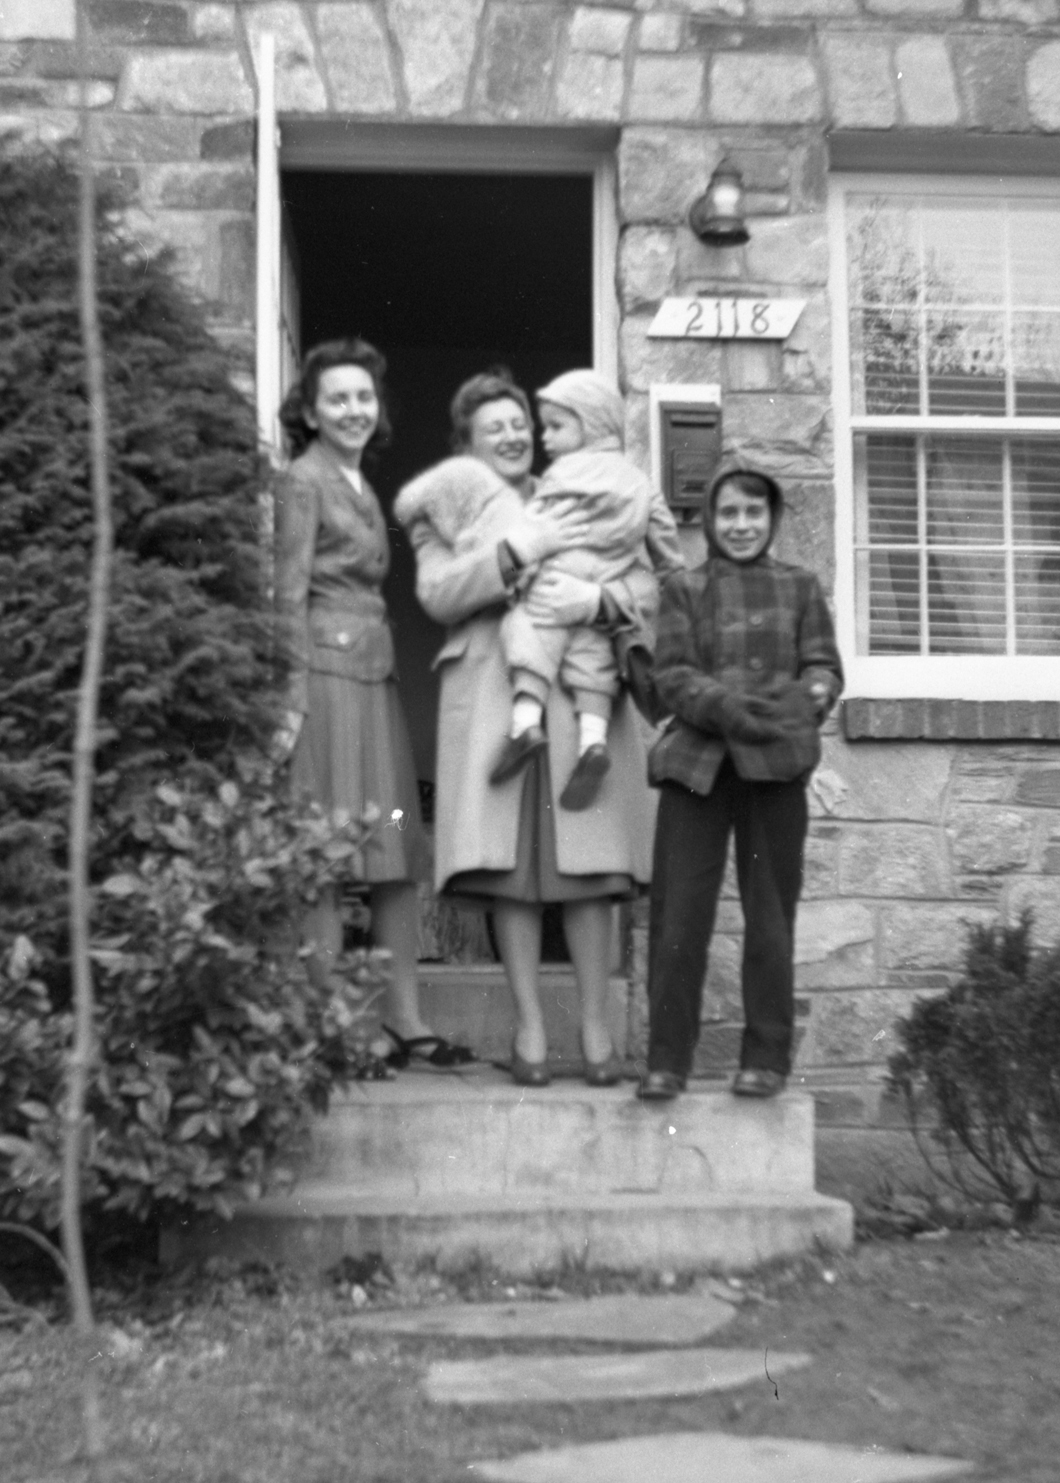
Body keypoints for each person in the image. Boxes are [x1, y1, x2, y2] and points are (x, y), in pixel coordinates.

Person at [402, 369, 661, 1087]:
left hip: (581, 702)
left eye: (521, 422)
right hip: (496, 696)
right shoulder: (444, 508)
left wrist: (599, 597)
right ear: (467, 444)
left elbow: (646, 581)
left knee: (590, 871)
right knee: (509, 875)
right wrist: (518, 548)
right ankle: (530, 1030)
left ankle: (597, 1032)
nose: (515, 435)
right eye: (496, 428)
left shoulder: (581, 485)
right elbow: (437, 592)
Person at [272, 338, 473, 1072]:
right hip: (325, 682)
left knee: (392, 855)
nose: (354, 410)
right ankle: (337, 1029)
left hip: (375, 674)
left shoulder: (357, 480)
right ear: (312, 411)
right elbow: (286, 594)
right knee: (328, 854)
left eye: (364, 397)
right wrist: (288, 702)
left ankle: (406, 1020)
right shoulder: (303, 481)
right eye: (338, 399)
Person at [638, 467, 843, 1103]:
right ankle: (667, 1061)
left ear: (772, 519)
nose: (741, 525)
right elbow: (671, 675)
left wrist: (799, 704)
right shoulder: (684, 588)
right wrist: (729, 710)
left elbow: (823, 671)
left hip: (774, 769)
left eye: (754, 512)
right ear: (709, 520)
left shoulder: (801, 587)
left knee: (771, 918)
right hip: (696, 769)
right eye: (728, 513)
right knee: (680, 917)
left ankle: (766, 1059)